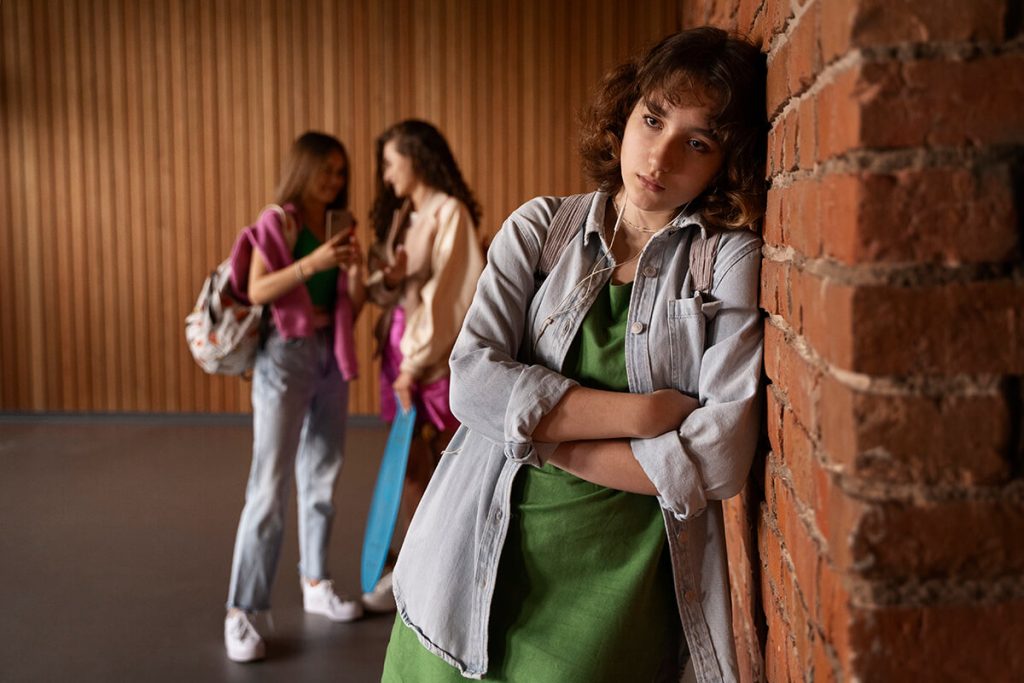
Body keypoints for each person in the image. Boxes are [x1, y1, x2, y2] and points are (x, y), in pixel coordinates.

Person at [381, 27, 767, 682]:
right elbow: (472, 381)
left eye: (697, 142)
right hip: (467, 564)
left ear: (721, 162)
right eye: (652, 119)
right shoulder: (540, 229)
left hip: (609, 597)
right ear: (625, 116)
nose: (661, 154)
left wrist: (544, 439)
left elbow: (721, 456)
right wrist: (642, 415)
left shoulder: (724, 260)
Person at [223, 131, 367, 663]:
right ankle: (241, 611)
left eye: (339, 172)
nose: (333, 181)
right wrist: (316, 261)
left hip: (330, 353)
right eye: (325, 171)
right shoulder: (278, 221)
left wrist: (356, 272)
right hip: (284, 355)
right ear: (303, 170)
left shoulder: (342, 225)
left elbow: (352, 298)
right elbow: (257, 290)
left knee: (323, 474)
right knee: (269, 484)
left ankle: (315, 582)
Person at [362, 119, 485, 612]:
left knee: (427, 465)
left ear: (416, 158)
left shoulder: (448, 213)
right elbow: (393, 292)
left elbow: (446, 299)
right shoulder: (410, 215)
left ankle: (423, 568)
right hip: (402, 349)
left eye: (391, 163)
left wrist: (413, 367)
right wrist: (387, 278)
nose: (387, 176)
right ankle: (423, 560)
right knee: (411, 462)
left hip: (427, 358)